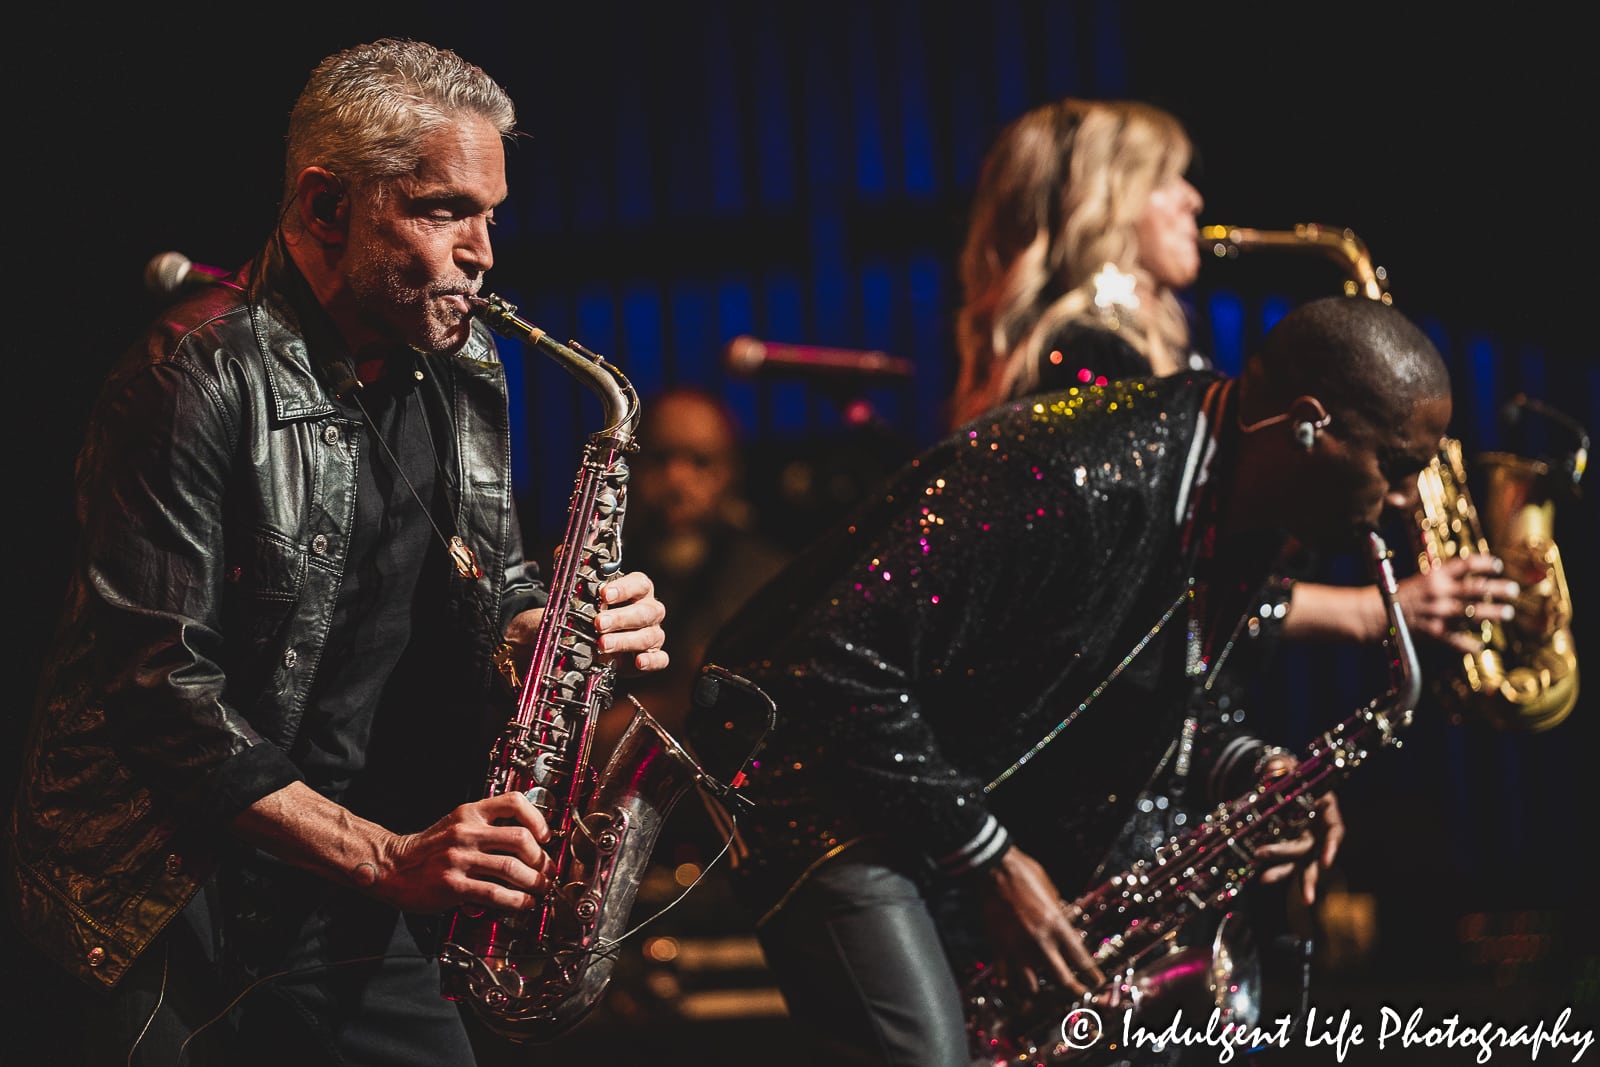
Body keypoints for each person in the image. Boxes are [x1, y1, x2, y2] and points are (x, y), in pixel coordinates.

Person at [6, 39, 669, 1067]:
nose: (482, 249)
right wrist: (387, 854)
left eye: (488, 212)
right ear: (324, 207)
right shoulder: (188, 374)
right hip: (160, 895)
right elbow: (161, 696)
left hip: (341, 877)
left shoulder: (464, 364)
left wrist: (547, 633)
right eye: (443, 209)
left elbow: (489, 583)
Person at [687, 294, 1457, 1065]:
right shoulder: (1067, 476)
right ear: (1308, 423)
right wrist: (987, 857)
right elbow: (832, 660)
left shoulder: (1250, 514)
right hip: (806, 770)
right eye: (1396, 468)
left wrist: (1259, 772)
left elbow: (1185, 705)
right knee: (924, 1053)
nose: (1399, 502)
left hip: (926, 779)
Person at [952, 95, 1516, 665]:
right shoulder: (1086, 356)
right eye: (1165, 179)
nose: (1192, 197)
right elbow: (1153, 588)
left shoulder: (1122, 349)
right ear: (1101, 201)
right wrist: (1373, 613)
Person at [594, 385, 790, 759]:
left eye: (700, 462)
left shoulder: (768, 576)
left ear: (731, 473)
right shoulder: (595, 569)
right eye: (661, 457)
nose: (677, 480)